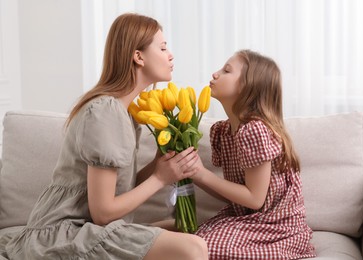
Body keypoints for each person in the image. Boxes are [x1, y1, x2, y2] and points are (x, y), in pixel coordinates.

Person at [0, 13, 208, 260]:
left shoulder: (124, 113)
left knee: (188, 231)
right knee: (193, 249)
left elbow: (116, 194)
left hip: (95, 228)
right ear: (138, 57)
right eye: (162, 48)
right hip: (68, 233)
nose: (170, 55)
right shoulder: (105, 112)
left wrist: (156, 166)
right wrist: (161, 179)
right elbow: (103, 212)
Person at [191, 50, 316, 259]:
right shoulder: (223, 131)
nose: (215, 74)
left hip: (276, 228)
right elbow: (234, 194)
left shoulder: (254, 130)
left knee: (200, 248)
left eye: (226, 71)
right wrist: (194, 173)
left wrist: (202, 174)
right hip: (247, 219)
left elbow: (255, 199)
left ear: (247, 87)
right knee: (189, 239)